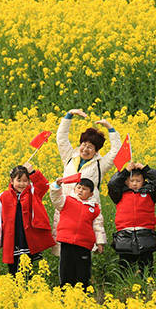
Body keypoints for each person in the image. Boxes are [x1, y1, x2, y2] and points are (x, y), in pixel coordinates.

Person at [54, 108, 122, 253]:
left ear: (96, 151)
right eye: (84, 145)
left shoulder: (100, 165)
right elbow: (61, 138)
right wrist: (69, 115)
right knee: (64, 251)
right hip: (67, 208)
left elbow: (116, 151)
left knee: (84, 249)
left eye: (90, 147)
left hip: (86, 212)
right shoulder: (69, 157)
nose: (85, 149)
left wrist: (110, 129)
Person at [0, 163, 54, 275]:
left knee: (28, 266)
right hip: (12, 238)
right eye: (19, 180)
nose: (22, 184)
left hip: (28, 238)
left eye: (25, 181)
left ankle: (27, 287)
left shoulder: (33, 193)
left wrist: (33, 173)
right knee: (13, 267)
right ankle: (15, 288)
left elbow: (43, 185)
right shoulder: (3, 197)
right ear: (11, 181)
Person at [107, 161, 156, 275]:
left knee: (146, 267)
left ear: (144, 181)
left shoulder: (149, 193)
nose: (135, 183)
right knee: (125, 267)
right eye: (132, 181)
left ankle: (147, 287)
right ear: (126, 182)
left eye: (138, 181)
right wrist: (126, 171)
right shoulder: (119, 194)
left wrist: (145, 169)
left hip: (145, 233)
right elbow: (112, 184)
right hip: (124, 234)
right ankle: (126, 288)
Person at [50, 177, 103, 288]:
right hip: (67, 241)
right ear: (74, 189)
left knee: (83, 269)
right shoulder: (66, 200)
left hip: (84, 244)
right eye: (78, 187)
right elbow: (55, 198)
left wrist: (100, 242)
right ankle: (65, 290)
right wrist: (57, 186)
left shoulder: (94, 208)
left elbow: (98, 226)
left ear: (91, 194)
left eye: (84, 189)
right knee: (66, 267)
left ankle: (82, 292)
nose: (80, 190)